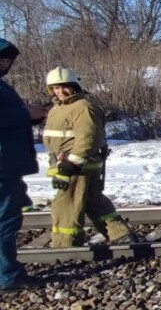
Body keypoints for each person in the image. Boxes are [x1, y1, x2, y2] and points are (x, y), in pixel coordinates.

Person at [42, 66, 137, 248]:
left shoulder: (83, 108)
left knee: (66, 206)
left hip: (77, 167)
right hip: (70, 165)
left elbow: (88, 140)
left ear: (74, 86)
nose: (60, 91)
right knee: (93, 202)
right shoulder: (59, 108)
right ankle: (121, 235)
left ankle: (66, 247)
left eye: (64, 86)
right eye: (55, 88)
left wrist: (69, 165)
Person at [0, 38, 42, 290]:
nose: (5, 64)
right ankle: (7, 276)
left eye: (8, 60)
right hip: (2, 167)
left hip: (8, 164)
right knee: (4, 222)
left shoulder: (3, 87)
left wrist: (33, 115)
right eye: (2, 59)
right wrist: (25, 113)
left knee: (8, 219)